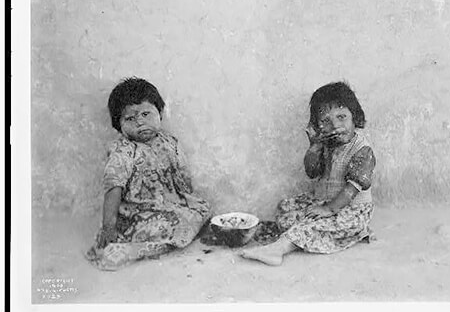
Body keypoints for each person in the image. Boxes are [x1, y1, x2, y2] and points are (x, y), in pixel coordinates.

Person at [241, 81, 376, 266]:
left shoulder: (362, 150)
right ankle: (298, 236)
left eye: (342, 117)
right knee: (285, 208)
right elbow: (312, 172)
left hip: (349, 208)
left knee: (311, 226)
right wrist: (314, 147)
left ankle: (276, 251)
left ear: (356, 118)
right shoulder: (326, 144)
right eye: (326, 121)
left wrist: (328, 210)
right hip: (323, 200)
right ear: (317, 126)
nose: (335, 125)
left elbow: (351, 190)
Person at [86, 77, 211, 270]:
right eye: (130, 118)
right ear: (118, 125)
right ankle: (134, 250)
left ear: (160, 113)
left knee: (201, 210)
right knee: (163, 225)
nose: (140, 123)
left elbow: (183, 175)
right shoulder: (124, 151)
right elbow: (113, 187)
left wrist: (187, 199)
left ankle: (163, 241)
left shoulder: (169, 142)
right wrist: (108, 227)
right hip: (138, 213)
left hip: (169, 204)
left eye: (146, 114)